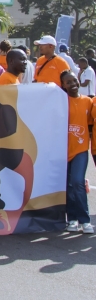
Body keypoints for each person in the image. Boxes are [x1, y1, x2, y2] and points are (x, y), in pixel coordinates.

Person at [58, 71, 94, 233]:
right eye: (68, 82)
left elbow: (91, 124)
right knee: (68, 186)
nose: (73, 84)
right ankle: (71, 219)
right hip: (62, 152)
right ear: (63, 85)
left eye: (74, 80)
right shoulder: (60, 102)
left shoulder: (88, 102)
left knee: (78, 182)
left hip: (80, 151)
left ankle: (85, 220)